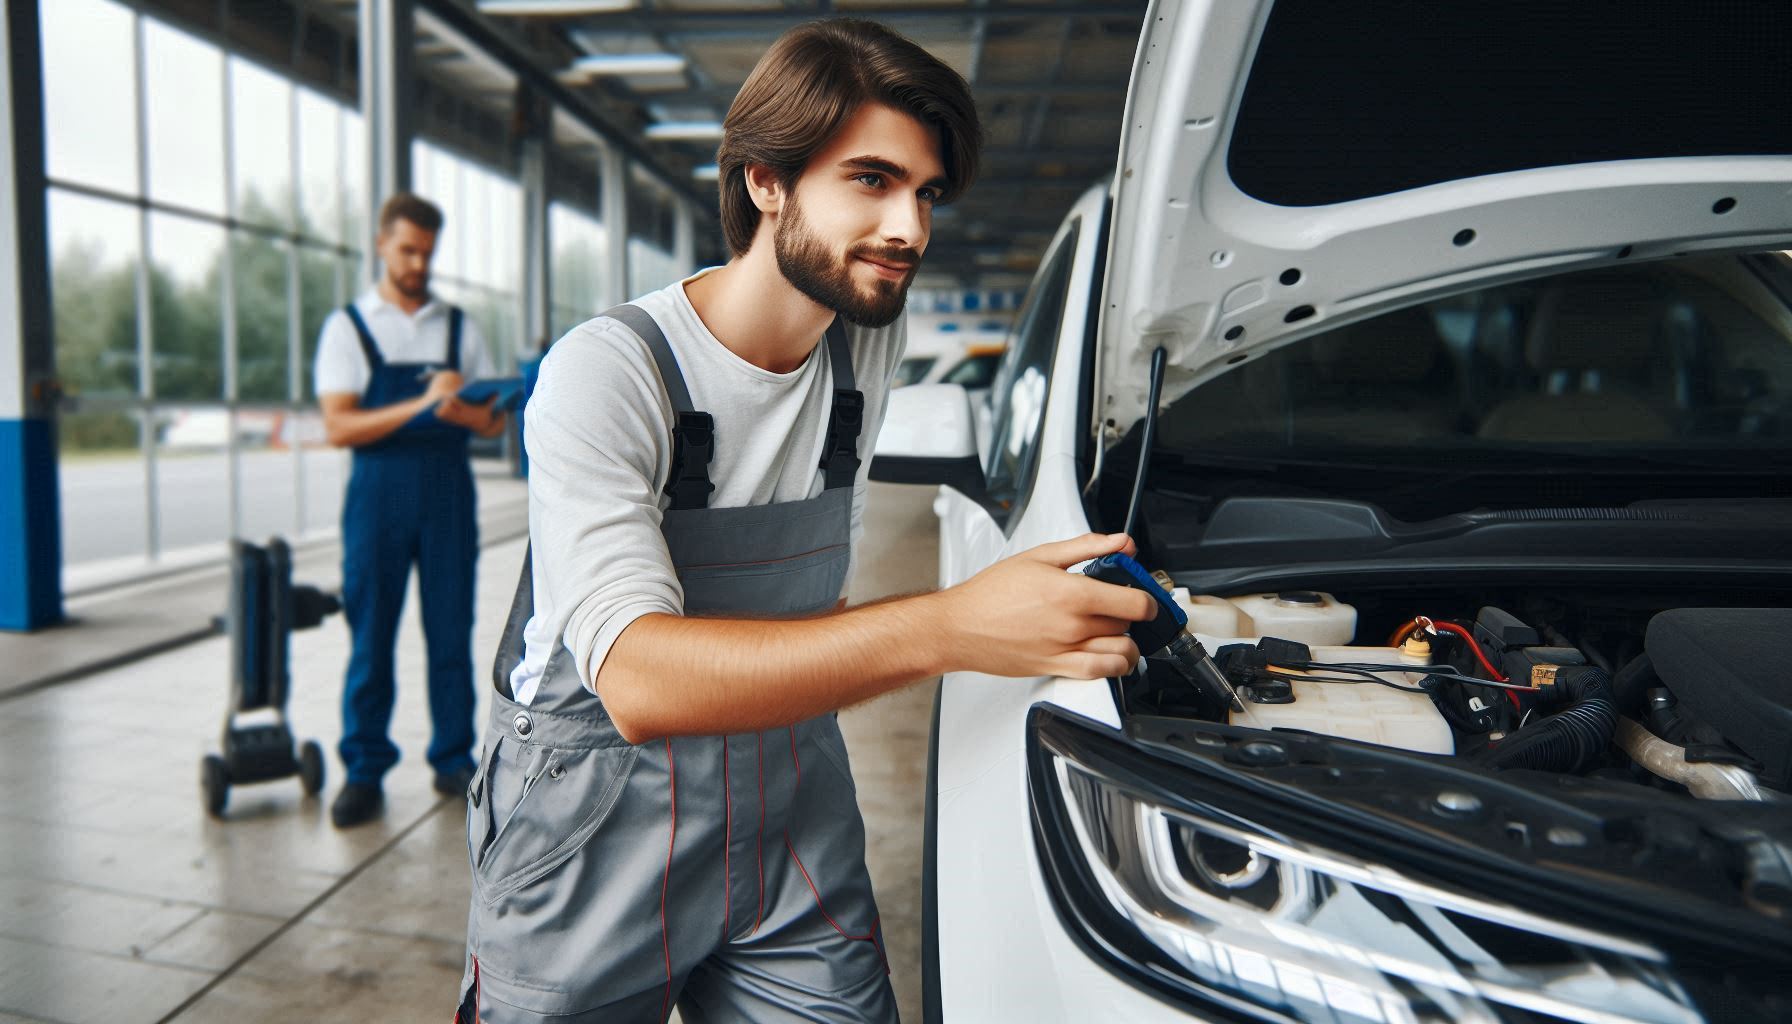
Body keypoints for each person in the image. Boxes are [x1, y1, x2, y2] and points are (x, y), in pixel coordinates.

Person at [457, 20, 1152, 1024]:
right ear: (765, 182)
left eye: (925, 192)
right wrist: (954, 624)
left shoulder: (863, 333)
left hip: (791, 801)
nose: (908, 228)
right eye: (870, 181)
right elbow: (640, 681)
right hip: (595, 815)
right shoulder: (608, 373)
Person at [314, 193, 509, 829]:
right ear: (381, 244)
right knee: (370, 637)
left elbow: (488, 425)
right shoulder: (349, 326)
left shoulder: (459, 327)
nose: (418, 264)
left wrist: (463, 412)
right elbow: (339, 426)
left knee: (450, 631)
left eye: (427, 253)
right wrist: (423, 405)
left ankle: (452, 757)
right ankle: (363, 770)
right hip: (377, 497)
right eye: (407, 251)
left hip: (449, 493)